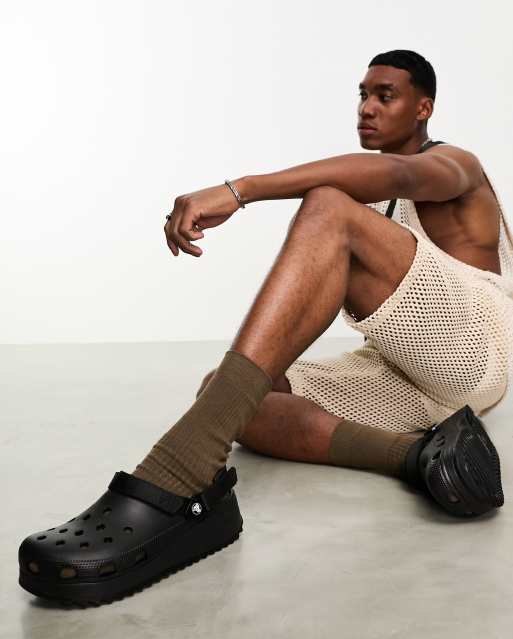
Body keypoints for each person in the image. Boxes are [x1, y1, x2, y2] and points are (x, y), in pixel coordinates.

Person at [18, 49, 513, 607]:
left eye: (385, 95)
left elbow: (400, 172)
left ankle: (179, 474)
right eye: (362, 94)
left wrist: (240, 190)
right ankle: (418, 456)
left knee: (329, 206)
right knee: (229, 396)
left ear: (424, 109)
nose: (367, 108)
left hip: (477, 353)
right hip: (407, 374)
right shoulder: (380, 200)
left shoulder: (455, 164)